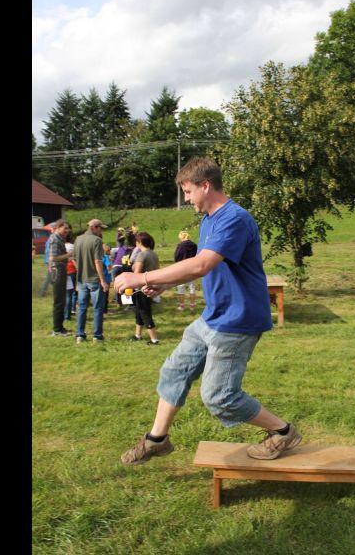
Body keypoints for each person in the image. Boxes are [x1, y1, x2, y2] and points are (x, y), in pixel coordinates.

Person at [115, 157, 301, 465]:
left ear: (205, 185)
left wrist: (143, 277)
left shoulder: (234, 219)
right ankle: (157, 439)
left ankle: (283, 432)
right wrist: (164, 284)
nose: (186, 199)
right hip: (213, 316)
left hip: (238, 320)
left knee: (219, 396)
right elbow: (201, 267)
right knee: (174, 371)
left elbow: (202, 264)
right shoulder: (209, 220)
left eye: (188, 192)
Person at [73, 218, 110, 343]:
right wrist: (103, 280)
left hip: (81, 279)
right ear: (94, 227)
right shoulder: (97, 240)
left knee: (82, 307)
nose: (101, 231)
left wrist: (80, 270)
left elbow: (73, 259)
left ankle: (80, 335)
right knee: (97, 308)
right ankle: (97, 336)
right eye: (100, 228)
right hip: (94, 279)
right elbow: (98, 261)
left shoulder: (78, 239)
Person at [128, 231, 160, 345]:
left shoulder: (142, 255)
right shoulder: (153, 254)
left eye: (136, 241)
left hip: (142, 288)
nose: (135, 243)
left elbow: (136, 273)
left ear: (140, 242)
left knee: (144, 312)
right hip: (151, 285)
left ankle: (154, 339)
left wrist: (131, 267)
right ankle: (138, 335)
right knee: (139, 311)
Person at [46, 220, 72, 336]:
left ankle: (60, 328)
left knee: (61, 300)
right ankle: (57, 330)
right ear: (58, 227)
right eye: (65, 228)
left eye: (68, 228)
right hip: (58, 271)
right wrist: (69, 254)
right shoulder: (55, 239)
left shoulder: (59, 238)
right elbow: (54, 257)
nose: (67, 230)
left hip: (60, 270)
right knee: (59, 301)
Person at [173, 230, 198, 311]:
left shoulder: (180, 245)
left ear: (181, 237)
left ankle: (182, 306)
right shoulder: (194, 245)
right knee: (192, 288)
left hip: (182, 268)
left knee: (181, 288)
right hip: (192, 268)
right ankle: (192, 306)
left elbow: (176, 257)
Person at [65, 229, 78, 321]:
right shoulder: (72, 246)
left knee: (65, 294)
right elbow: (75, 259)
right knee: (71, 293)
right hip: (71, 270)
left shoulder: (60, 245)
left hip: (62, 271)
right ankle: (69, 313)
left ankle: (65, 313)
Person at [101, 242, 114, 314]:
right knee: (105, 294)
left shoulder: (99, 257)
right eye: (109, 250)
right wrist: (111, 263)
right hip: (106, 278)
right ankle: (105, 310)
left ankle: (101, 309)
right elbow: (109, 267)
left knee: (101, 294)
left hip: (99, 278)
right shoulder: (106, 257)